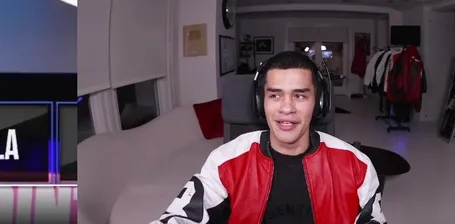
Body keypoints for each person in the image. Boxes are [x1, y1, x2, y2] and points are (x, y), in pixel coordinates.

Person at [153, 51, 385, 224]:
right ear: (260, 102)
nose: (287, 108)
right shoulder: (225, 161)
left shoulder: (357, 165)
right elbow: (182, 217)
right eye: (275, 95)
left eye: (300, 96)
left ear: (319, 103)